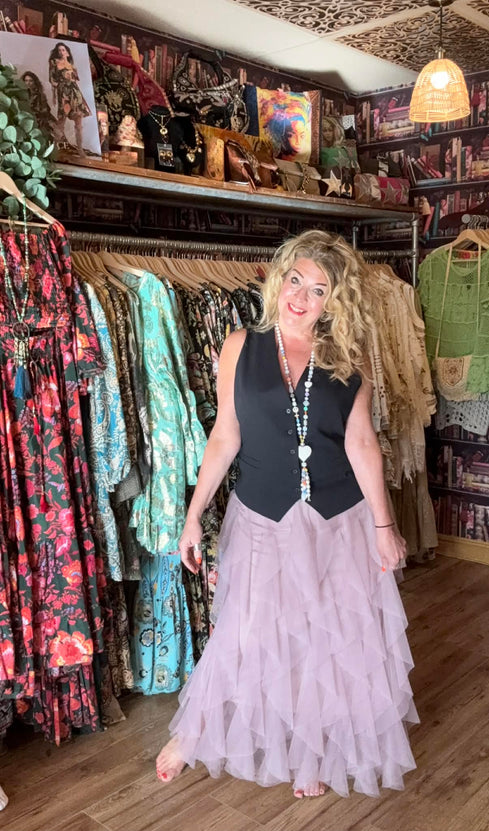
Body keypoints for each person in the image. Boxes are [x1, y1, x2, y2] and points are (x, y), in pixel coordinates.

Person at [156, 230, 418, 799]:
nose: (301, 297)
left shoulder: (349, 358)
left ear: (334, 300)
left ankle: (315, 750)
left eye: (318, 289)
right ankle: (194, 732)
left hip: (338, 520)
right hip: (261, 517)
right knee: (246, 629)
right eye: (295, 281)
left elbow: (362, 444)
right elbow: (224, 434)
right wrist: (193, 515)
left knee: (327, 638)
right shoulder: (240, 346)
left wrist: (384, 527)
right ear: (279, 280)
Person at [48, 42, 91, 157]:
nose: (61, 52)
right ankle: (54, 147)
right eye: (59, 50)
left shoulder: (72, 65)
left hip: (75, 93)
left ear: (67, 52)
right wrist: (54, 95)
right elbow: (52, 80)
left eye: (63, 50)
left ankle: (80, 149)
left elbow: (75, 80)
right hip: (63, 93)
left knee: (78, 122)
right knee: (61, 121)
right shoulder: (54, 63)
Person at [22, 71, 58, 143]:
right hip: (26, 120)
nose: (28, 83)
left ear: (35, 82)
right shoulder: (21, 94)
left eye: (30, 81)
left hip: (40, 119)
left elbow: (45, 110)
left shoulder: (40, 95)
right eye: (26, 81)